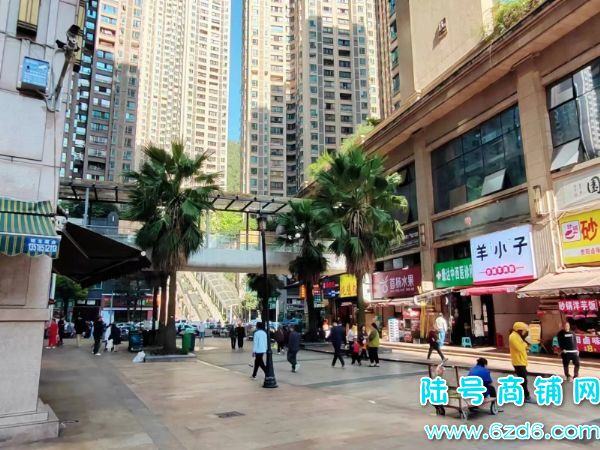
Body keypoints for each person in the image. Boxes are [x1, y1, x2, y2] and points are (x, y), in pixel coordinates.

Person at [509, 322, 533, 403]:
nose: (524, 332)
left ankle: (524, 395)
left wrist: (526, 346)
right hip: (518, 362)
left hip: (521, 361)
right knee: (523, 380)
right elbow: (519, 348)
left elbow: (522, 347)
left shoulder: (517, 336)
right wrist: (526, 343)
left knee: (523, 379)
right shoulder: (513, 337)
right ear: (519, 330)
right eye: (523, 330)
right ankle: (526, 396)